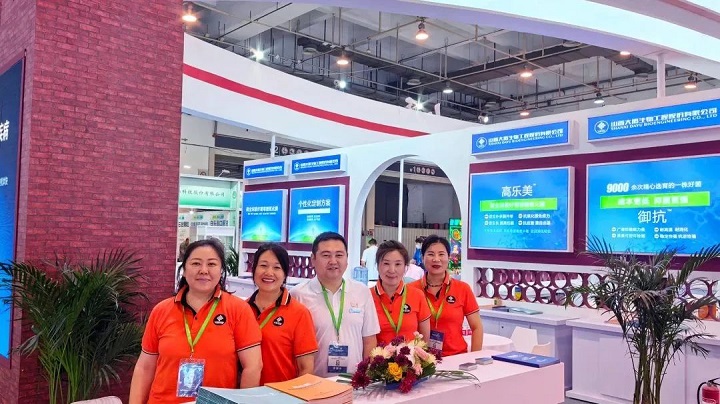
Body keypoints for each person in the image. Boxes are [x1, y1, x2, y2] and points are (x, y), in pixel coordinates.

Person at [130, 239, 263, 404]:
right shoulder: (161, 310)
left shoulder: (238, 310)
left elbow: (253, 366)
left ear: (221, 270)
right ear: (184, 270)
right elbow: (144, 368)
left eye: (212, 264)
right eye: (196, 263)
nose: (204, 270)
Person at [291, 232, 380, 377]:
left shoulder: (361, 291)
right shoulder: (298, 295)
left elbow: (369, 340)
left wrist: (366, 377)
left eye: (339, 255)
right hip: (314, 383)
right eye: (326, 255)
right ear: (313, 259)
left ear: (347, 258)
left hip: (353, 383)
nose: (333, 261)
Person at [247, 243, 319, 384]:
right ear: (254, 269)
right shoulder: (241, 309)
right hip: (243, 392)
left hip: (281, 393)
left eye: (277, 267)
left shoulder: (299, 313)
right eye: (263, 265)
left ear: (285, 273)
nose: (269, 272)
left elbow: (306, 368)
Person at [409, 235, 483, 357]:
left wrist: (474, 358)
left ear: (448, 257)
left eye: (441, 254)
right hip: (420, 360)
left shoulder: (462, 289)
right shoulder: (411, 290)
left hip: (456, 358)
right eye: (431, 254)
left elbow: (477, 327)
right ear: (422, 258)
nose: (436, 259)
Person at [371, 240, 430, 345]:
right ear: (378, 266)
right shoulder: (367, 296)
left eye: (398, 264)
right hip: (376, 355)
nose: (392, 270)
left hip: (410, 355)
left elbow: (424, 340)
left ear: (405, 267)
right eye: (386, 263)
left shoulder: (417, 295)